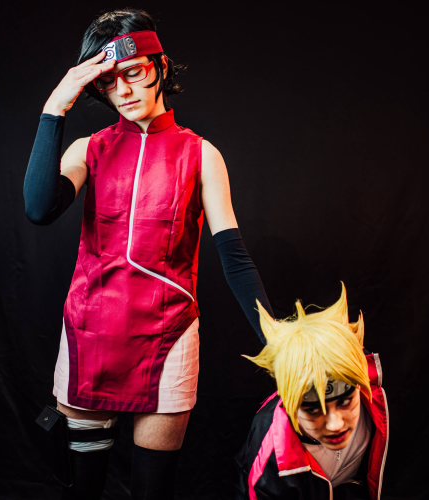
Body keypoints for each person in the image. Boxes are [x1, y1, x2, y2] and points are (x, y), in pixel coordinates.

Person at [23, 8, 273, 500]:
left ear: (159, 65)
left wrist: (280, 339)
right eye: (108, 82)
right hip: (90, 332)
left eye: (134, 72)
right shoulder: (87, 149)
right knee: (81, 488)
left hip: (168, 335)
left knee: (152, 492)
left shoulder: (201, 153)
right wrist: (55, 106)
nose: (124, 91)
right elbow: (38, 208)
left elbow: (234, 256)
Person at [233, 283, 389, 500]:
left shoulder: (370, 386)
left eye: (345, 402)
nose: (335, 425)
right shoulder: (270, 458)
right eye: (313, 410)